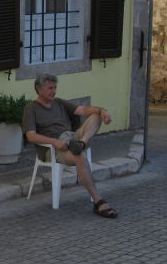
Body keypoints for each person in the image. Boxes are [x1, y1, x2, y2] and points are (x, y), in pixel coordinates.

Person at [22, 73, 118, 218]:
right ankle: (98, 201)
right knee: (80, 157)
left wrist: (102, 110)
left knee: (96, 115)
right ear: (39, 89)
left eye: (55, 87)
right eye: (50, 88)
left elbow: (83, 110)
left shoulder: (59, 102)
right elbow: (31, 136)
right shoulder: (31, 108)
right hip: (53, 148)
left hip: (72, 139)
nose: (54, 91)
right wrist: (55, 142)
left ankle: (81, 143)